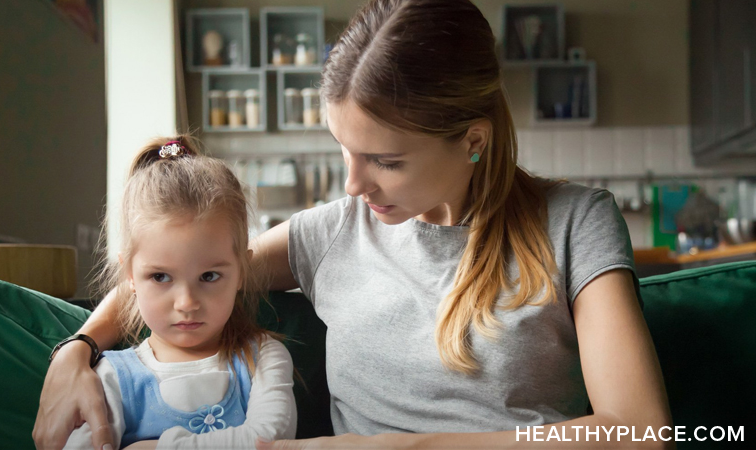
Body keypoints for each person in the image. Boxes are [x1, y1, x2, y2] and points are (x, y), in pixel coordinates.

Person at [34, 1, 672, 449]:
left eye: (386, 161)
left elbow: (644, 431)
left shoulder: (574, 223)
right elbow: (182, 270)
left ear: (473, 140)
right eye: (346, 150)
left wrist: (405, 448)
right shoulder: (332, 233)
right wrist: (77, 350)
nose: (353, 185)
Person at [57, 137, 296, 450]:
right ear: (129, 275)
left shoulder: (263, 357)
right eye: (160, 277)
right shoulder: (112, 376)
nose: (187, 303)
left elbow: (269, 441)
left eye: (209, 276)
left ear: (241, 272)